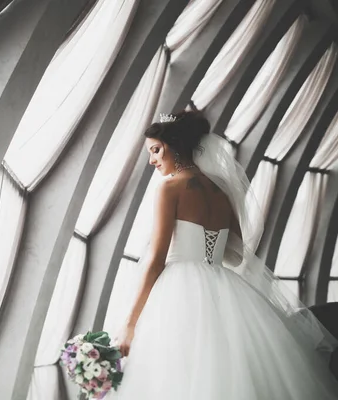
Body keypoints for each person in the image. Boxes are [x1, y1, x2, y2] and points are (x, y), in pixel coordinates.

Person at [112, 111, 338, 399]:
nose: (152, 160)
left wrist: (130, 323)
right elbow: (235, 254)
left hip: (178, 291)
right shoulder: (221, 189)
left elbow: (156, 260)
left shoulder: (169, 187)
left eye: (156, 150)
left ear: (175, 145)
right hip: (225, 287)